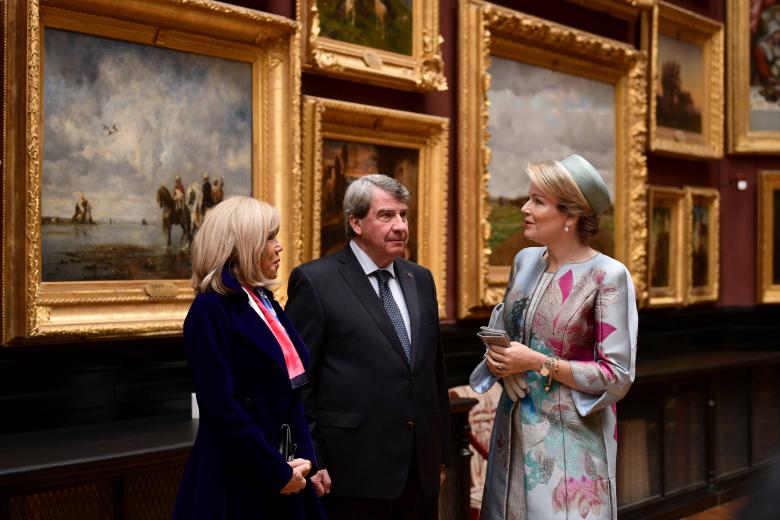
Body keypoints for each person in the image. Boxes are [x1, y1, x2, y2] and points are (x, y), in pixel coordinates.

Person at [479, 155, 638, 520]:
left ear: (570, 216)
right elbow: (506, 332)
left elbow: (617, 376)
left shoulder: (608, 276)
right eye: (528, 198)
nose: (525, 208)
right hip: (511, 433)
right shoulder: (523, 261)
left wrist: (537, 362)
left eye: (538, 201)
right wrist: (497, 360)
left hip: (569, 443)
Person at [286, 174, 449, 520]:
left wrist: (441, 456)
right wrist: (312, 457)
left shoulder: (420, 279)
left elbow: (434, 374)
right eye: (387, 215)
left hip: (419, 473)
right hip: (352, 474)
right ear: (356, 222)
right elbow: (299, 383)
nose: (401, 226)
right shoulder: (316, 282)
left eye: (404, 215)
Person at [173, 196, 326, 520]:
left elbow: (292, 393)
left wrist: (306, 459)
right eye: (270, 237)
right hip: (239, 475)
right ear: (242, 245)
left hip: (286, 468)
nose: (279, 246)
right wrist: (275, 471)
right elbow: (221, 409)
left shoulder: (266, 302)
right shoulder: (209, 310)